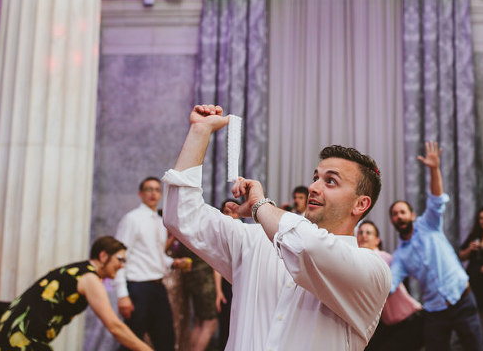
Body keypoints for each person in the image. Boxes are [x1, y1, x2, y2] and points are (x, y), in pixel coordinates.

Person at [161, 104, 390, 351]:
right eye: (316, 178)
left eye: (331, 181)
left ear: (360, 204)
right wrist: (200, 132)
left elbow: (309, 246)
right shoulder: (256, 241)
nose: (313, 187)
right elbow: (182, 216)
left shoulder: (372, 271)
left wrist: (261, 205)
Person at [389, 141, 483, 351]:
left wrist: (434, 169)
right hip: (435, 312)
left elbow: (436, 200)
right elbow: (390, 283)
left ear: (412, 215)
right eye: (395, 214)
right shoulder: (400, 256)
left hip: (462, 299)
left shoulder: (429, 224)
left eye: (402, 212)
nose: (399, 216)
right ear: (392, 222)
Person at [0, 236, 152, 351]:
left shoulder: (80, 270)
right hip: (21, 338)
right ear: (103, 256)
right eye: (120, 259)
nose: (122, 266)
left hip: (17, 333)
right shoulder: (90, 278)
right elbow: (115, 327)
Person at [115, 176, 188, 351]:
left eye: (157, 190)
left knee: (166, 340)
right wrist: (122, 294)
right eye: (149, 189)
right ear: (140, 194)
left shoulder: (160, 221)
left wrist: (173, 263)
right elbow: (119, 258)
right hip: (137, 287)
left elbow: (155, 255)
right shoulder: (132, 219)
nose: (153, 193)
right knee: (132, 342)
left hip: (158, 287)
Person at [356, 221, 423, 351]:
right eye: (360, 232)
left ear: (377, 240)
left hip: (411, 320)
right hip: (391, 325)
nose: (364, 235)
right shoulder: (360, 260)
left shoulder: (383, 258)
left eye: (368, 233)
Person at [168, 238, 218, 351]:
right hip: (204, 278)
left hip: (191, 276)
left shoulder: (184, 229)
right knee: (210, 323)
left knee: (199, 323)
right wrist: (219, 290)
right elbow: (215, 259)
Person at [214, 199, 240, 350]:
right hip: (225, 285)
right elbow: (217, 266)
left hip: (240, 282)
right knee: (225, 325)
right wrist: (218, 292)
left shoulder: (245, 233)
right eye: (226, 211)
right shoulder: (220, 235)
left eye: (233, 211)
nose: (229, 215)